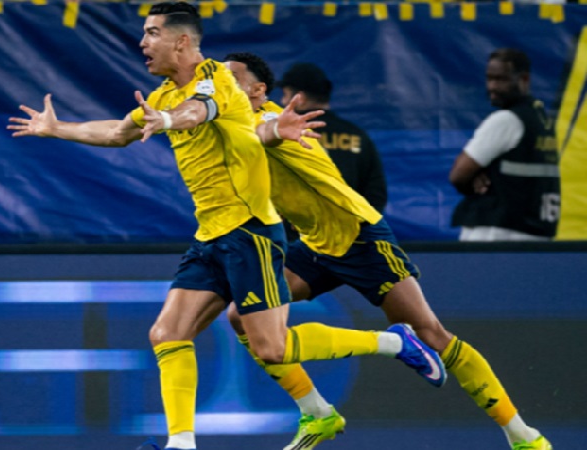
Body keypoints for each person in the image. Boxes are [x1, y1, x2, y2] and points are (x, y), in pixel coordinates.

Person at [8, 4, 444, 450]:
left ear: (182, 41)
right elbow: (118, 133)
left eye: (152, 32)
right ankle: (182, 444)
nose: (142, 42)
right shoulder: (161, 95)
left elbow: (198, 111)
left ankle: (394, 344)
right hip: (210, 235)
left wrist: (169, 120)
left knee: (272, 348)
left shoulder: (217, 81)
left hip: (250, 233)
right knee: (166, 333)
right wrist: (57, 129)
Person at [223, 52, 552, 450]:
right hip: (314, 242)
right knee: (241, 316)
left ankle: (524, 436)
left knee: (432, 335)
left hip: (358, 235)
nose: (222, 82)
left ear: (258, 90)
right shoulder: (233, 123)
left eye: (232, 77)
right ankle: (318, 413)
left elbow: (261, 132)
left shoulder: (268, 120)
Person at [449, 48, 559, 241]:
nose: (492, 86)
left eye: (501, 79)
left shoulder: (506, 120)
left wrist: (472, 181)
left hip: (497, 233)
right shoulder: (542, 120)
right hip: (536, 233)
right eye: (489, 78)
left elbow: (458, 174)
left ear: (524, 79)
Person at [278, 62, 387, 213]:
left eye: (285, 95)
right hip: (349, 224)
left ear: (299, 98)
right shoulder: (356, 135)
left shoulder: (283, 136)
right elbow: (375, 192)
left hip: (295, 225)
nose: (283, 102)